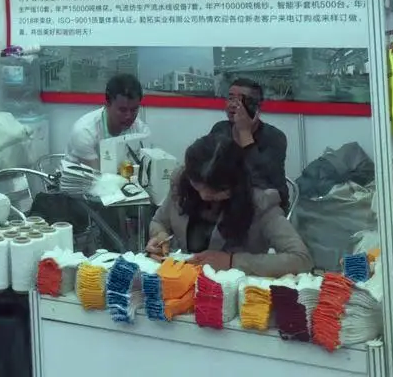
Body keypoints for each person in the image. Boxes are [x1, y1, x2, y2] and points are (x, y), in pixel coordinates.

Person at [146, 135, 312, 278]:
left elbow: (301, 259)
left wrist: (232, 261)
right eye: (198, 185)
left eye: (217, 191)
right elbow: (159, 222)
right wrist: (160, 236)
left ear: (235, 184)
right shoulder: (183, 185)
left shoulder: (261, 204)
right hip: (183, 283)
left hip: (233, 291)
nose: (204, 195)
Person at [211, 77, 289, 212]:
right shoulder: (220, 129)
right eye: (230, 98)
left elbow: (262, 181)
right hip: (226, 201)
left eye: (241, 100)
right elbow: (207, 166)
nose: (232, 105)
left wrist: (245, 133)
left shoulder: (275, 137)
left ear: (257, 107)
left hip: (266, 205)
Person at [65, 73, 149, 169]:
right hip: (84, 177)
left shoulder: (140, 128)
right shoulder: (85, 132)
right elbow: (97, 176)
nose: (129, 116)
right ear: (107, 104)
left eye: (134, 109)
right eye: (122, 110)